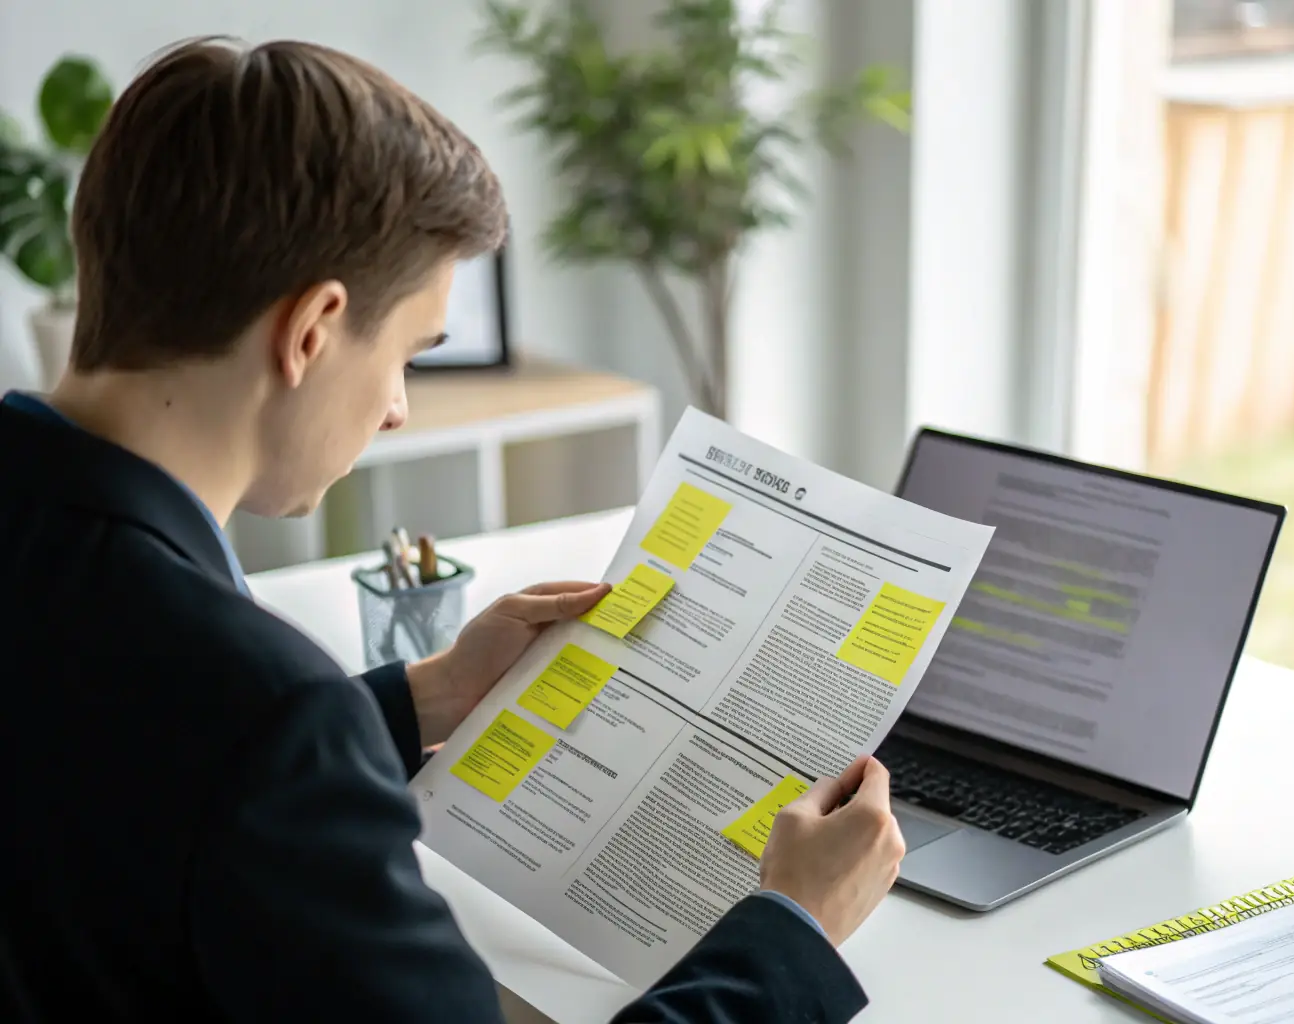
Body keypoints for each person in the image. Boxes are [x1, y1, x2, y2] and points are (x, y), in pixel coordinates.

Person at [0, 37, 906, 1023]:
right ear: (311, 332)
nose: (394, 407)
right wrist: (792, 927)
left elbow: (135, 758)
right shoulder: (262, 711)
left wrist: (428, 696)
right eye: (408, 355)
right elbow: (225, 738)